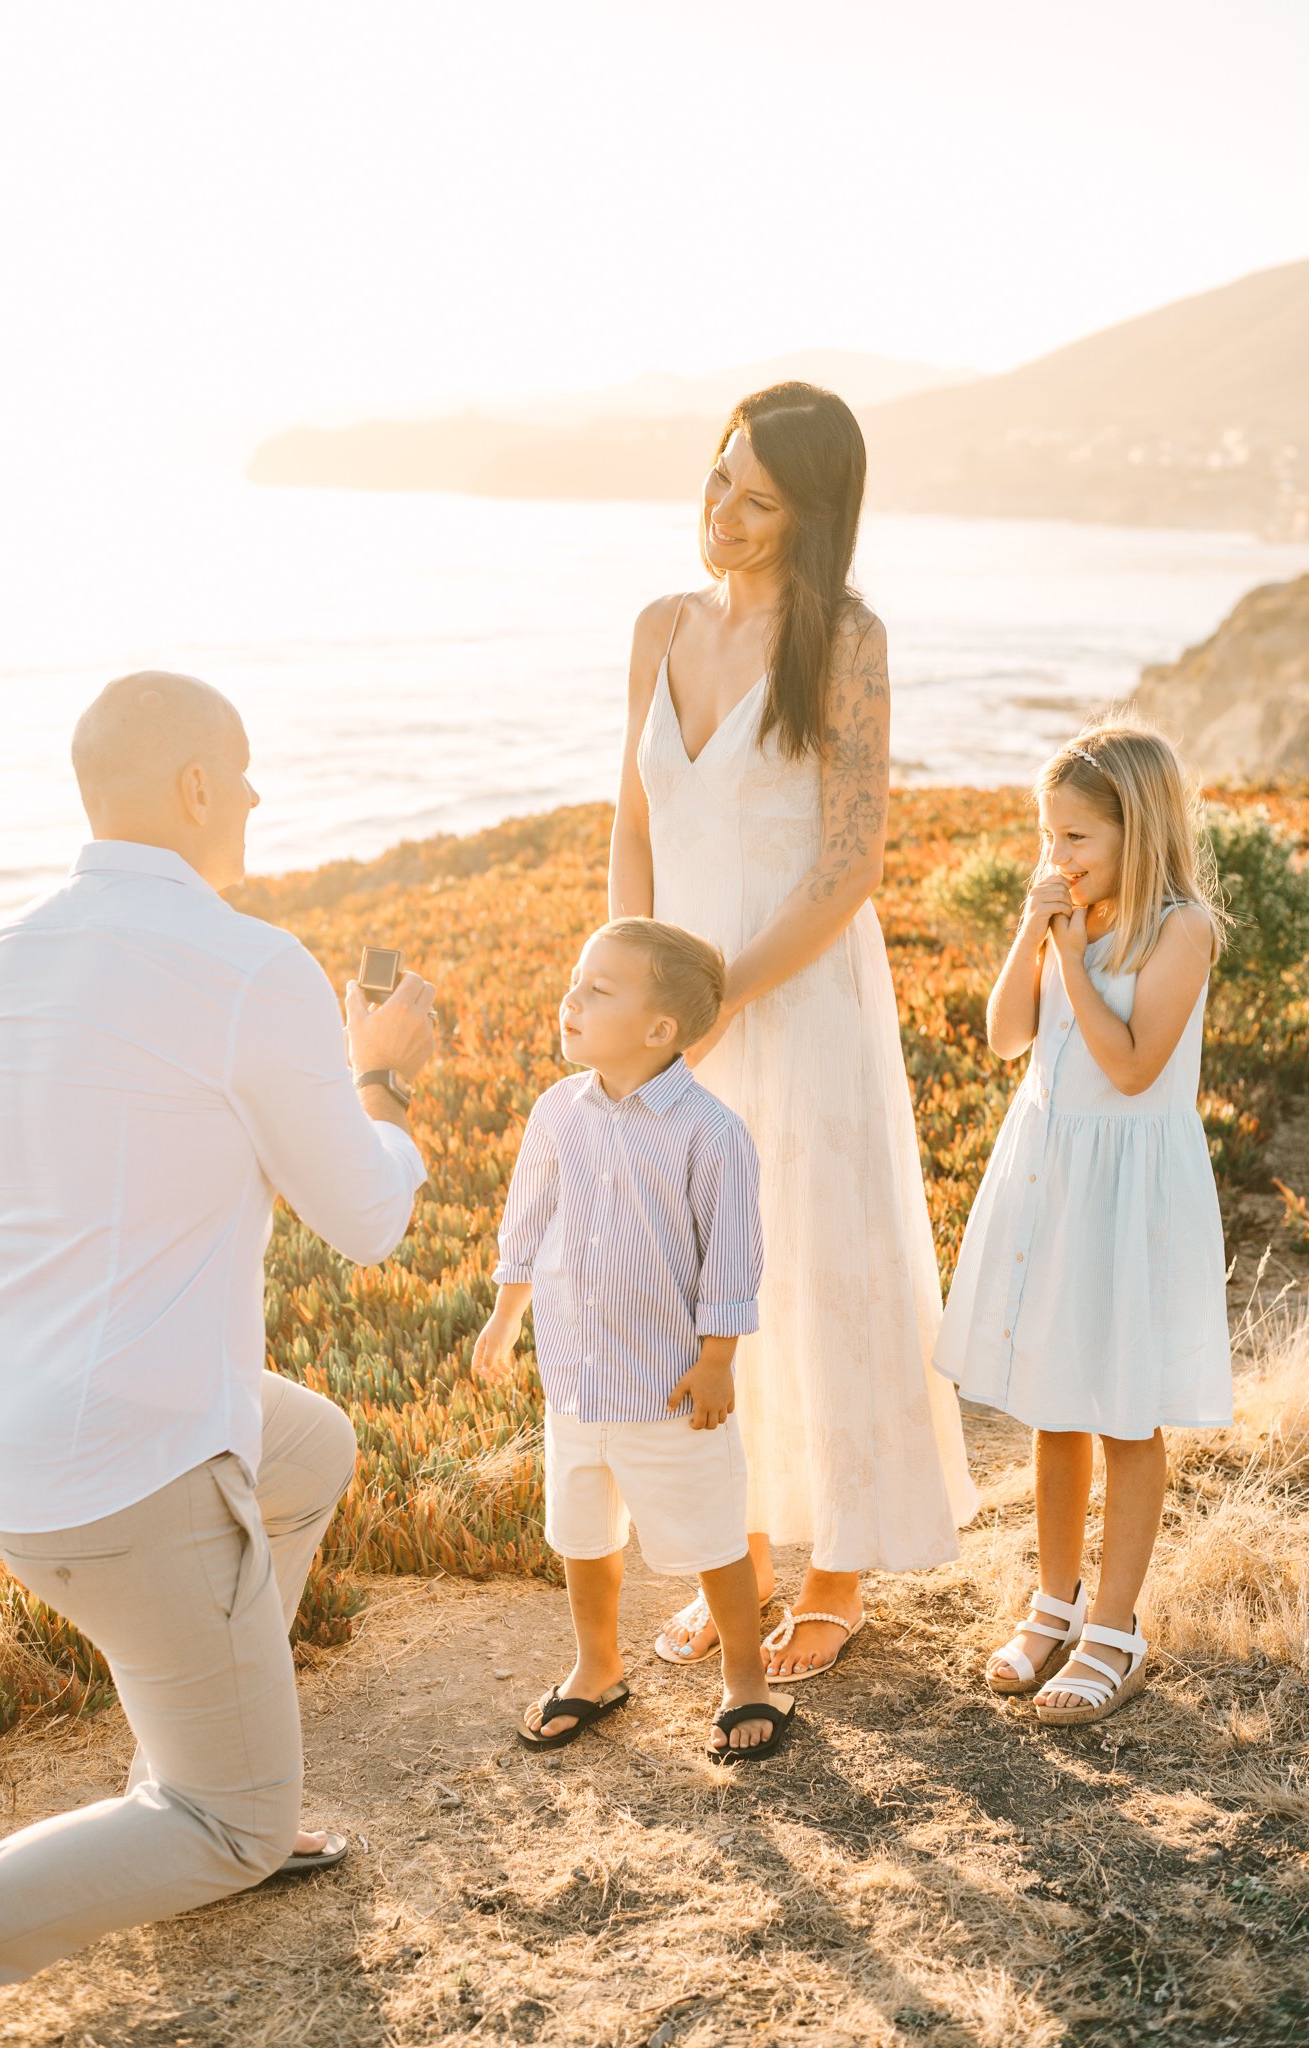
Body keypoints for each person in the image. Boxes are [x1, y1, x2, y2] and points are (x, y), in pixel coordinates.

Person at [0, 671, 436, 2000]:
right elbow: (367, 1219)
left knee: (311, 1447)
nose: (261, 797)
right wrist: (379, 1078)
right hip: (128, 1462)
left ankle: (192, 1750)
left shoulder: (5, 954)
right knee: (239, 1828)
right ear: (199, 790)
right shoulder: (248, 963)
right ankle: (207, 1809)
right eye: (246, 771)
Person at [610, 382, 977, 1684]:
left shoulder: (845, 641)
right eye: (716, 479)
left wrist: (723, 995)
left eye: (755, 501)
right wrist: (630, 992)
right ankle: (740, 1557)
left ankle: (833, 1568)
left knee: (811, 1268)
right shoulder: (658, 626)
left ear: (811, 516)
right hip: (671, 1013)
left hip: (794, 992)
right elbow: (635, 832)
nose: (721, 514)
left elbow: (849, 859)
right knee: (706, 1283)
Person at [933, 720, 1232, 1725]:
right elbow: (1005, 1036)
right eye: (1046, 837)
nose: (1054, 858)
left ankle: (1114, 1622)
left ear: (1136, 833)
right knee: (1054, 1402)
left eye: (1075, 840)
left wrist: (1068, 953)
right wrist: (1034, 928)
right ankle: (1051, 1599)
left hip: (1129, 1187)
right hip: (1052, 1172)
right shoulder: (1064, 917)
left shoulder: (1178, 927)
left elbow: (1132, 1063)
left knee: (1121, 1410)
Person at [472, 918, 795, 1761]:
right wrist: (506, 1315)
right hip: (577, 1382)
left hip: (666, 1388)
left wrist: (716, 1359)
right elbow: (528, 1219)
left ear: (660, 1030)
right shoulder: (556, 1112)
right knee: (582, 1534)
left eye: (597, 991)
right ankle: (595, 1665)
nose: (569, 1001)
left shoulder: (708, 1132)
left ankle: (745, 1676)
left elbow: (729, 1256)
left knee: (712, 1538)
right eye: (575, 982)